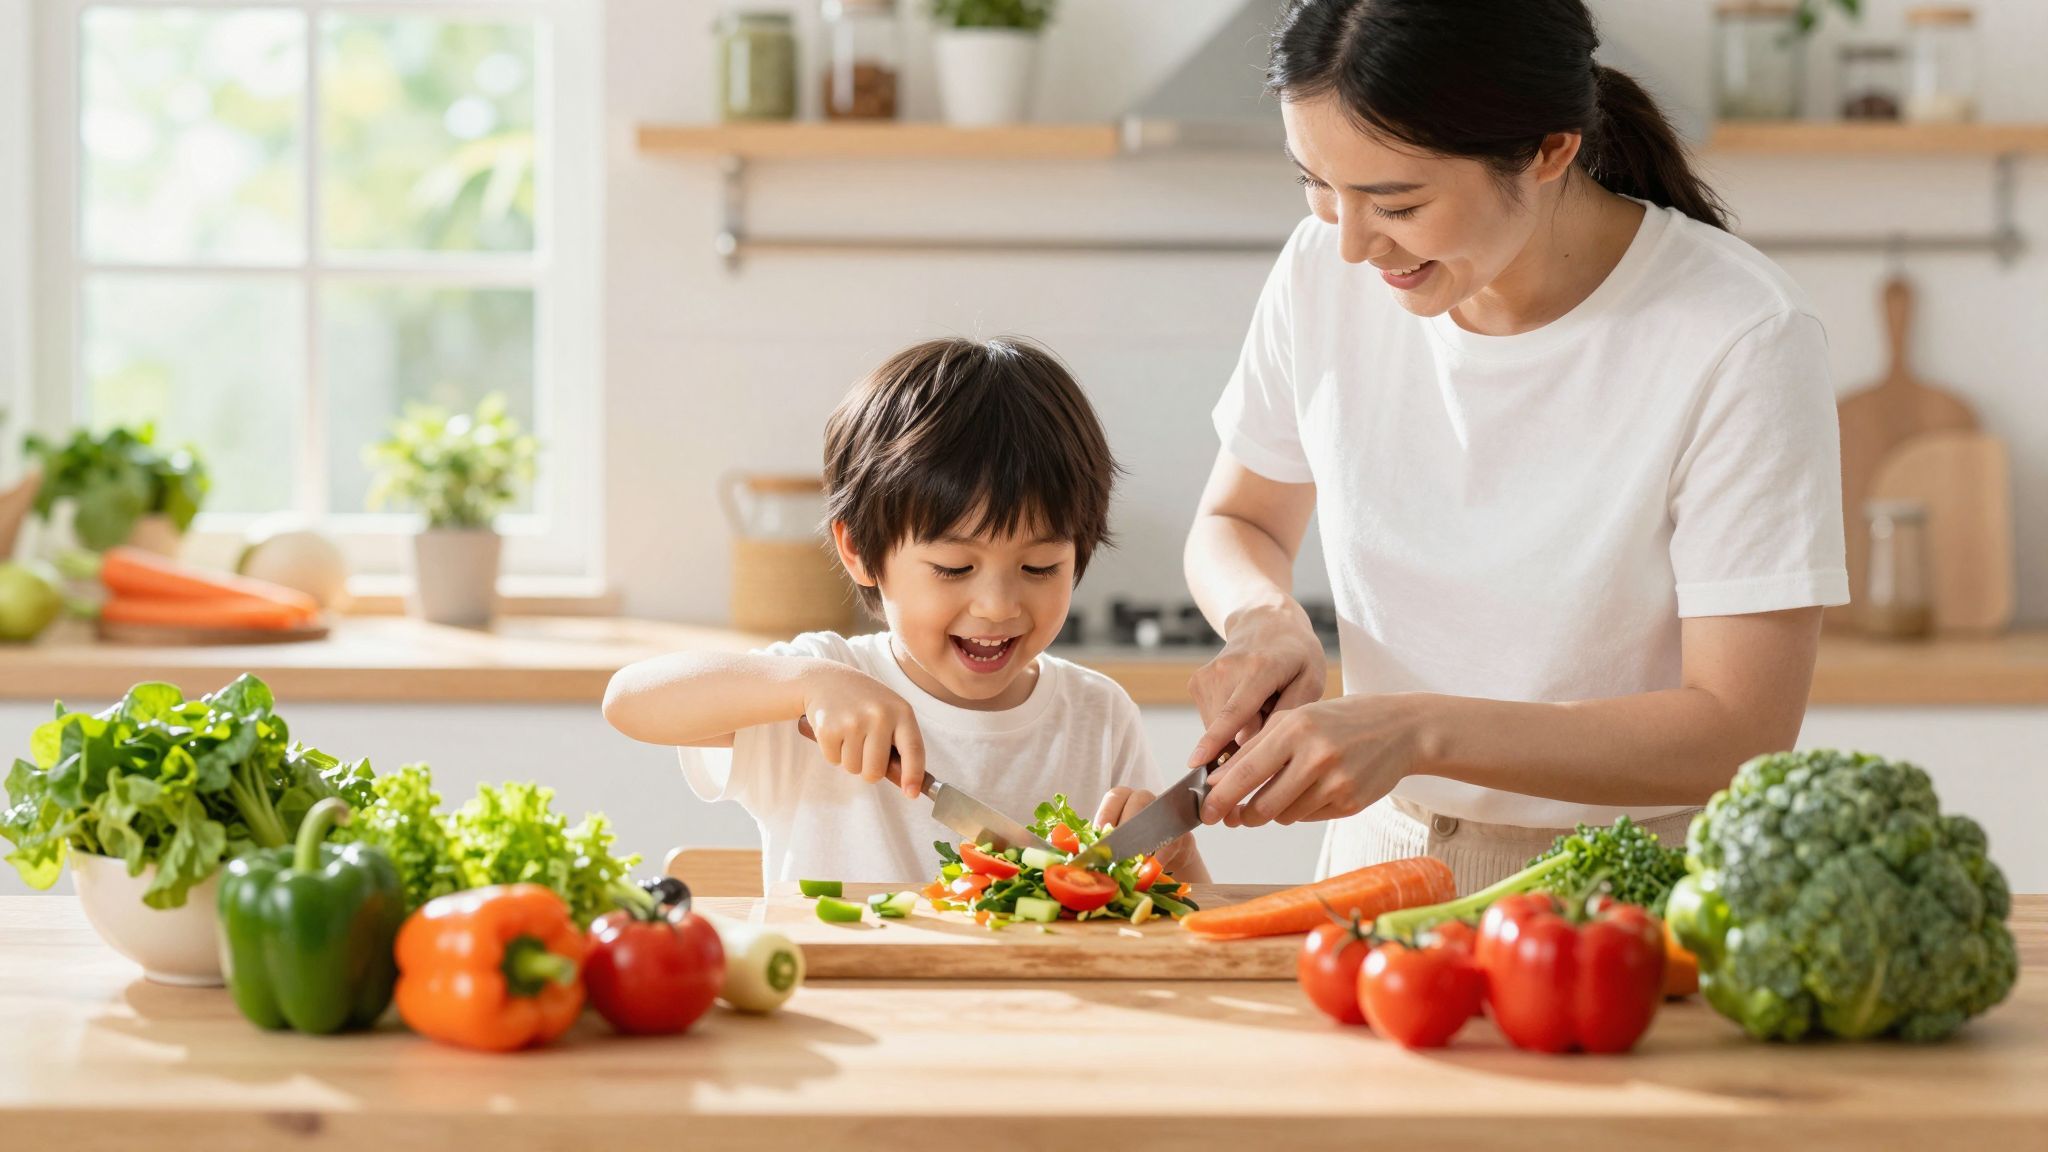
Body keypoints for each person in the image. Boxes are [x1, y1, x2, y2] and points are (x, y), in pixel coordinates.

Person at [1182, 0, 1847, 891]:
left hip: (1626, 887)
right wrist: (1265, 618)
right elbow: (1239, 519)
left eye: (1397, 202)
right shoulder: (1317, 275)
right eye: (1314, 183)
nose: (1347, 244)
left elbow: (1739, 730)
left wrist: (1415, 731)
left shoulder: (1740, 335)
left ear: (1548, 150)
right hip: (1378, 864)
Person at [605, 337, 1208, 886]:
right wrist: (806, 684)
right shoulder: (822, 685)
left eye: (1039, 568)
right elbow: (630, 701)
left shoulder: (1098, 715)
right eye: (954, 568)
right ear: (860, 551)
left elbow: (1192, 912)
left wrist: (1171, 856)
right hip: (843, 1002)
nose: (998, 606)